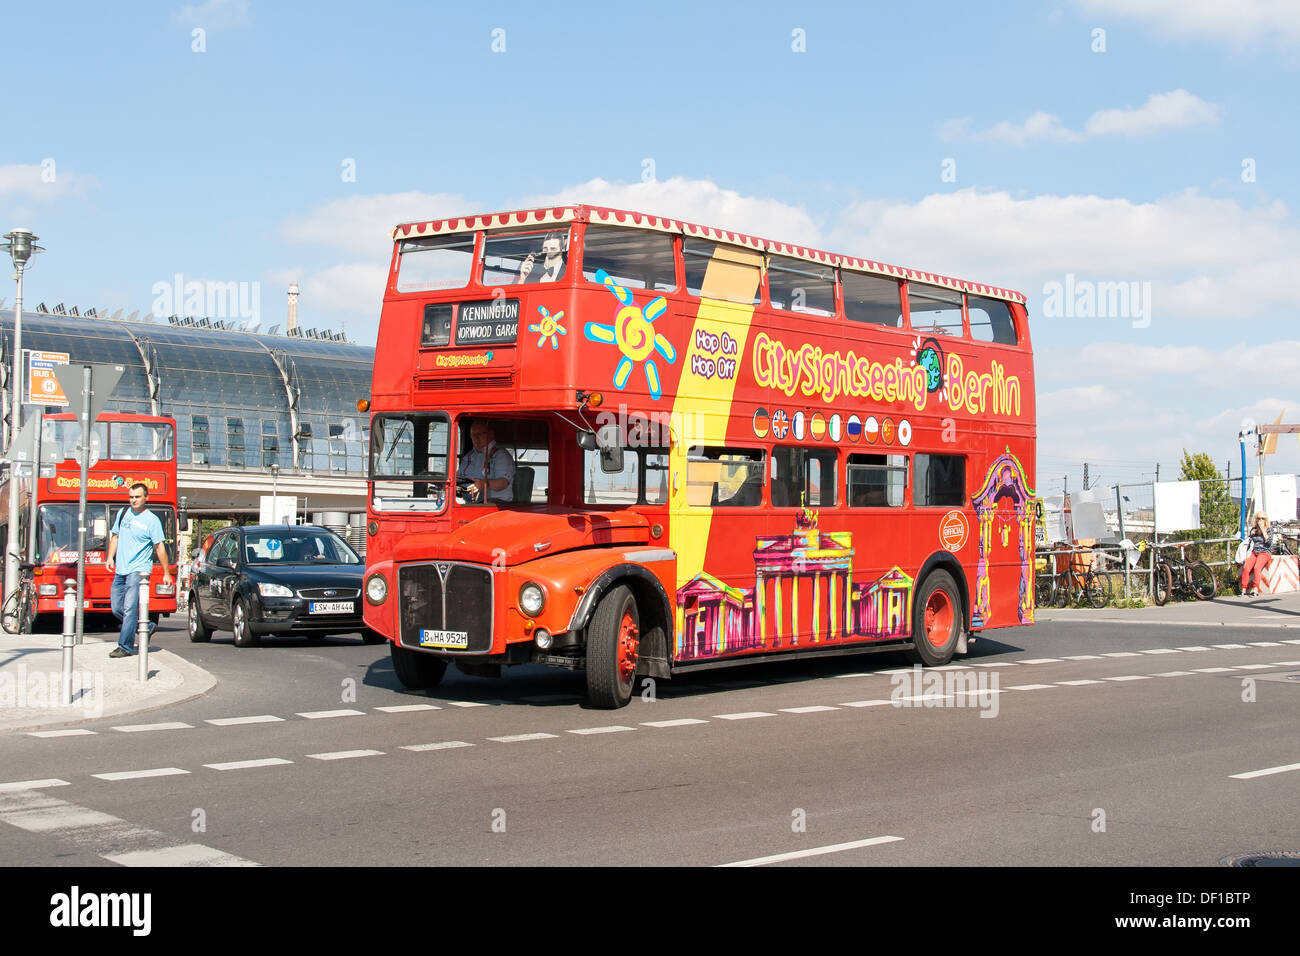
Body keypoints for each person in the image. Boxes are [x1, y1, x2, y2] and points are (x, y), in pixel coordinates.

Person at [105, 483, 173, 657]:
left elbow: (159, 547)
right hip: (121, 569)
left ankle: (125, 647)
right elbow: (115, 537)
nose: (133, 500)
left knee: (129, 608)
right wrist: (109, 557)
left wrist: (166, 573)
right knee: (115, 608)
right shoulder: (122, 513)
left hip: (139, 570)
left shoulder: (152, 520)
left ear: (146, 497)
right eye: (131, 497)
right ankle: (147, 626)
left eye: (137, 497)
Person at [457, 420, 515, 503]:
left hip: (495, 504)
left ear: (491, 434)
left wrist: (484, 484)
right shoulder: (469, 456)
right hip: (469, 502)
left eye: (481, 434)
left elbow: (503, 483)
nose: (477, 438)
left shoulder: (500, 455)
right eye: (474, 435)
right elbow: (460, 477)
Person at [1241, 511, 1275, 597]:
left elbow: (1268, 541)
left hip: (1265, 551)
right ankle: (1243, 588)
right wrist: (1251, 534)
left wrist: (1263, 529)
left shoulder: (1269, 529)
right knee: (1246, 567)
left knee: (1257, 568)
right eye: (1258, 518)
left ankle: (1255, 588)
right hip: (1255, 551)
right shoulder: (1254, 529)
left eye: (1262, 518)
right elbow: (1250, 540)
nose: (1260, 520)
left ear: (1265, 520)